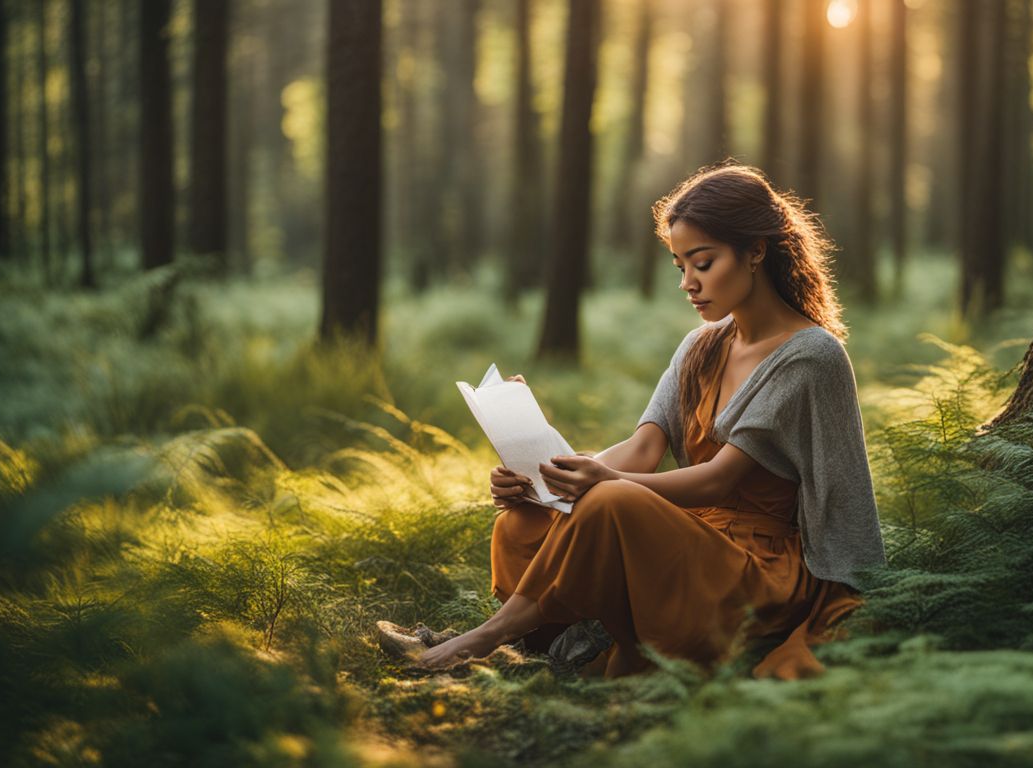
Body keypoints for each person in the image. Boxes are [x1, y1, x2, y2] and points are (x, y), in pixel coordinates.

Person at [379, 163, 887, 680]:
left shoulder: (809, 356)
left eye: (703, 263)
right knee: (521, 523)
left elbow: (719, 478)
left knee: (612, 498)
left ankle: (481, 641)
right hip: (691, 536)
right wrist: (545, 478)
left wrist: (606, 483)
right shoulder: (700, 345)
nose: (688, 283)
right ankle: (551, 647)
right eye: (679, 266)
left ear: (756, 250)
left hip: (757, 570)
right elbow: (643, 448)